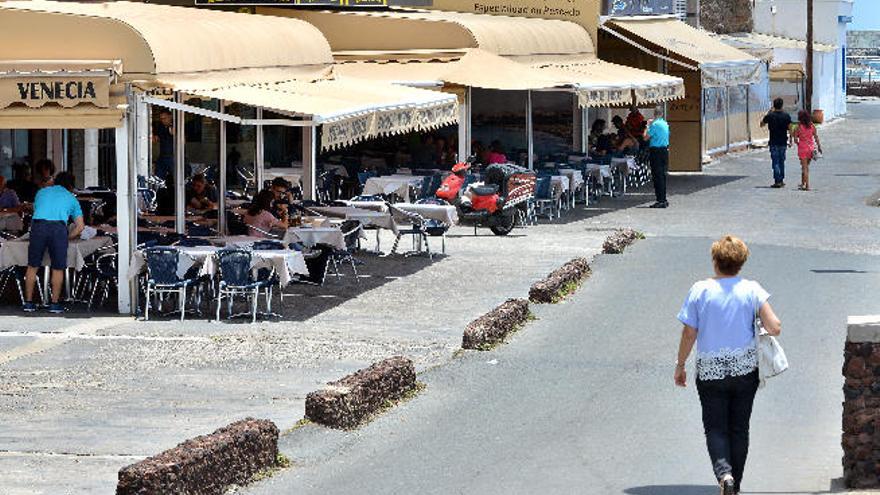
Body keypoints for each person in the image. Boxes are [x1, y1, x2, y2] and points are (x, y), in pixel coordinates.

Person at [674, 235, 782, 495]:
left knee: (715, 427)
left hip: (711, 370)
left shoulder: (700, 290)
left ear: (715, 261)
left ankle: (725, 475)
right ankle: (736, 483)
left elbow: (689, 333)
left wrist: (680, 364)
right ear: (741, 262)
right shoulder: (752, 289)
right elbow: (775, 327)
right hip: (745, 369)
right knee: (739, 428)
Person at [23, 172, 85, 314]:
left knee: (32, 265)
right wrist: (67, 237)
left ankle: (28, 303)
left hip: (38, 226)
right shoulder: (71, 198)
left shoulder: (41, 192)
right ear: (71, 185)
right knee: (57, 267)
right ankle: (55, 304)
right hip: (58, 228)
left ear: (55, 181)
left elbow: (37, 210)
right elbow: (80, 226)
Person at [760, 98, 793, 188]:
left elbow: (761, 124)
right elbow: (790, 128)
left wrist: (768, 112)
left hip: (773, 142)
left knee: (775, 161)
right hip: (783, 142)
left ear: (774, 105)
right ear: (782, 105)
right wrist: (791, 140)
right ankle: (781, 180)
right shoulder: (786, 116)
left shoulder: (770, 116)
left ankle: (777, 180)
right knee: (781, 161)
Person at [644, 108, 670, 208]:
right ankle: (663, 198)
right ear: (662, 114)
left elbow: (645, 137)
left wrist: (647, 126)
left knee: (657, 176)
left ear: (654, 114)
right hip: (664, 150)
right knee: (662, 175)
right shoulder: (665, 124)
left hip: (656, 151)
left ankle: (660, 200)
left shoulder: (654, 125)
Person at [793, 110, 822, 191]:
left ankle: (807, 185)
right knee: (806, 167)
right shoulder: (812, 126)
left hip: (802, 149)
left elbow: (795, 139)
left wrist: (799, 144)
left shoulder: (798, 127)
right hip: (810, 149)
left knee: (804, 167)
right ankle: (803, 183)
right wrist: (819, 147)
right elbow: (816, 137)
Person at [152, 110, 174, 181]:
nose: (163, 120)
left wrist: (171, 126)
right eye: (161, 119)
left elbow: (175, 133)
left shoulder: (176, 125)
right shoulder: (161, 127)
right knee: (158, 178)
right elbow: (155, 140)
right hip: (162, 156)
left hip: (174, 156)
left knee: (175, 178)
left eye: (165, 118)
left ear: (170, 117)